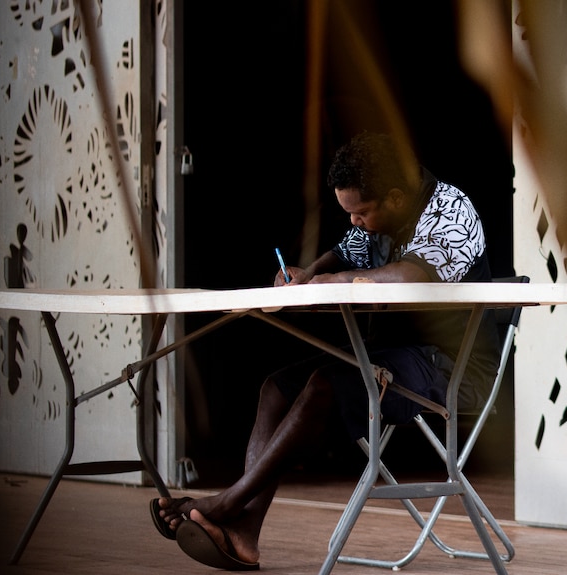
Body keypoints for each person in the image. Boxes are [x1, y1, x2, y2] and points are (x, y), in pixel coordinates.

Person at [150, 132, 502, 570]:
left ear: (394, 197)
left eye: (361, 212)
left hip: (452, 368)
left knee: (324, 385)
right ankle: (242, 534)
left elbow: (415, 276)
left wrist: (332, 283)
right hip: (390, 356)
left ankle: (227, 502)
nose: (354, 221)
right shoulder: (375, 220)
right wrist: (305, 275)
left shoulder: (451, 211)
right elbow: (341, 255)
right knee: (276, 388)